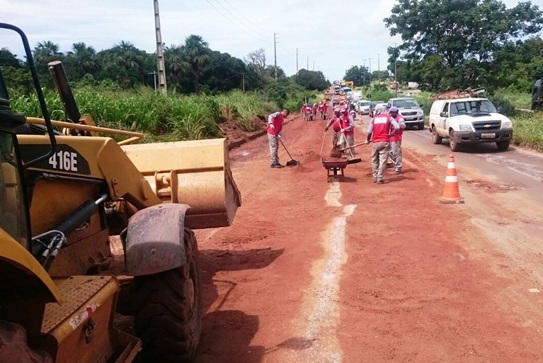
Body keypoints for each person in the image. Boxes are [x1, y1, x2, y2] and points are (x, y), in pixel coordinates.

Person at [365, 110, 400, 183]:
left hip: (375, 142)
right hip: (385, 142)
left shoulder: (373, 119)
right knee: (383, 161)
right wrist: (392, 133)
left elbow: (369, 131)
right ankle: (380, 177)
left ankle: (375, 177)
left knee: (374, 160)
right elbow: (397, 127)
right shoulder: (389, 117)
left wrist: (367, 140)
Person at [388, 106, 406, 173]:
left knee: (396, 153)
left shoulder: (400, 118)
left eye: (391, 112)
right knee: (390, 152)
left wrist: (399, 126)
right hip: (390, 137)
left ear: (395, 113)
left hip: (396, 138)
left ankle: (398, 168)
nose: (390, 113)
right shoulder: (391, 117)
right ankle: (395, 165)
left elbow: (403, 125)